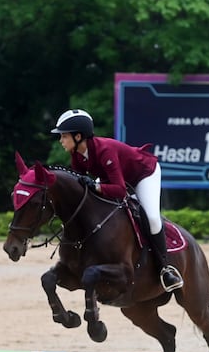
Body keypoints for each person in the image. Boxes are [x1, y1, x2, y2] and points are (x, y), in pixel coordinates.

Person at [50, 108, 183, 292]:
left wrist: (95, 186)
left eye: (64, 136)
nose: (61, 140)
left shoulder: (105, 150)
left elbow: (120, 190)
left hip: (143, 175)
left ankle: (165, 269)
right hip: (113, 178)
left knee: (151, 218)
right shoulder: (77, 155)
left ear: (78, 136)